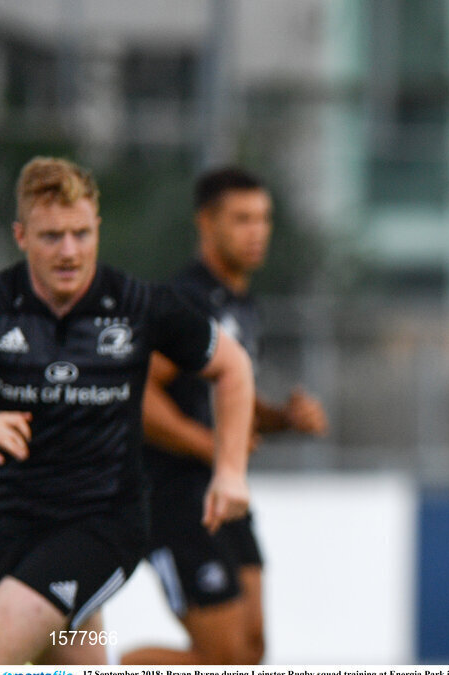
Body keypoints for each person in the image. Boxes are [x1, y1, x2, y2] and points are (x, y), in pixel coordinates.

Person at [0, 157, 254, 665]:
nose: (69, 252)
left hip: (100, 524)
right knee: (66, 652)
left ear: (98, 228)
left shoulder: (139, 305)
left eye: (80, 234)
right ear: (21, 235)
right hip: (10, 522)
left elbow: (233, 366)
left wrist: (230, 472)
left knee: (7, 630)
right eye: (52, 237)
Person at [121, 167, 328, 665]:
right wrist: (207, 444)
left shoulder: (239, 303)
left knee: (252, 650)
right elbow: (138, 392)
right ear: (206, 224)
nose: (257, 231)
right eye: (241, 219)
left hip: (222, 490)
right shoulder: (188, 301)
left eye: (263, 218)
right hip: (174, 497)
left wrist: (282, 418)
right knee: (224, 657)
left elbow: (231, 402)